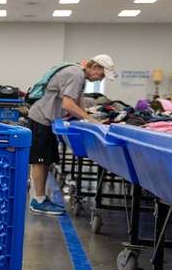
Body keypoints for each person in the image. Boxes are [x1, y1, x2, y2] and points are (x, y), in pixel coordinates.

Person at [27, 55, 113, 215]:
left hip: (48, 119)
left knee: (46, 161)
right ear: (95, 67)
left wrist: (88, 121)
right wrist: (92, 122)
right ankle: (38, 201)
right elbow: (68, 104)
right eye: (101, 75)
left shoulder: (80, 77)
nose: (100, 80)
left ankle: (42, 199)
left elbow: (79, 107)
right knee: (39, 161)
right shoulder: (75, 74)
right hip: (40, 118)